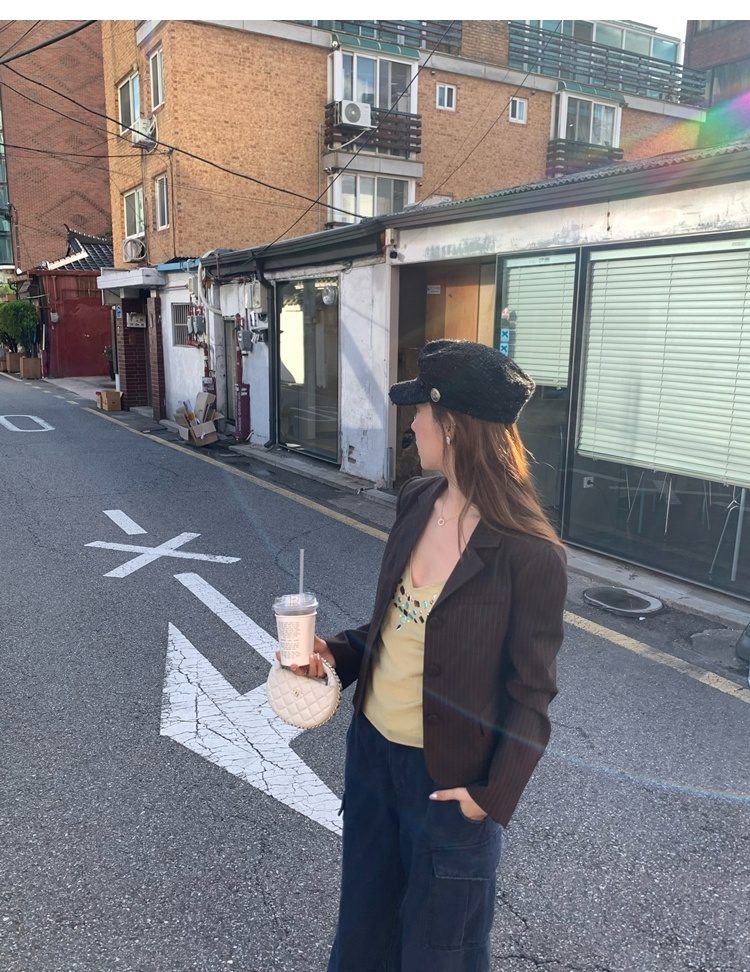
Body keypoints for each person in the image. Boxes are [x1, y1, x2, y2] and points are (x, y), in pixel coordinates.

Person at [293, 339, 567, 972]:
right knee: (363, 936)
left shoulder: (531, 553)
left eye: (420, 411)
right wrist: (335, 654)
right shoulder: (417, 500)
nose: (411, 424)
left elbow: (532, 694)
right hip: (372, 763)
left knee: (440, 952)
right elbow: (395, 623)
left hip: (449, 783)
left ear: (453, 426)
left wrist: (489, 797)